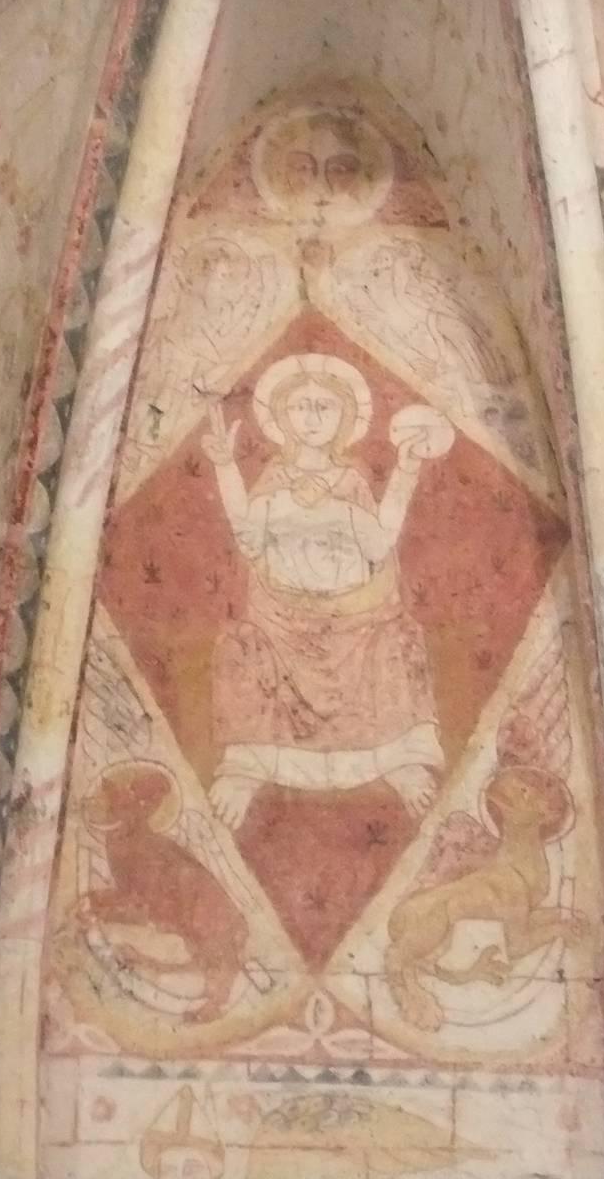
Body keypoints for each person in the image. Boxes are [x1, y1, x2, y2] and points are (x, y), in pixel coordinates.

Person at [200, 352, 445, 960]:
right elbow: (248, 536)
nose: (312, 416)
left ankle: (397, 761)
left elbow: (379, 543)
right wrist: (226, 466)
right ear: (281, 418)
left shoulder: (352, 481)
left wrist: (407, 469)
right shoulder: (273, 479)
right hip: (281, 622)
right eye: (301, 406)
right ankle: (247, 769)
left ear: (344, 419)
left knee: (399, 645)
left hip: (354, 621)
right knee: (240, 651)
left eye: (325, 407)